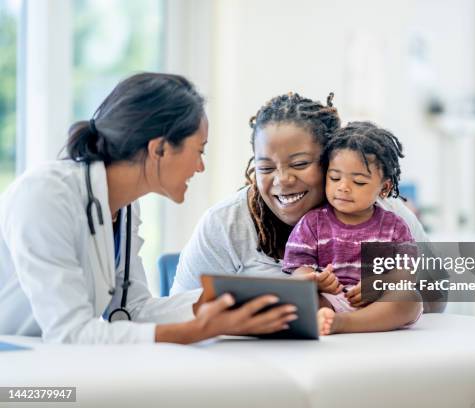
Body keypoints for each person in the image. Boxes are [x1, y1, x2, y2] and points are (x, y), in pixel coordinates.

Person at [0, 73, 297, 344]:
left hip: (58, 365)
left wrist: (242, 298)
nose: (200, 166)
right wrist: (197, 331)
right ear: (159, 149)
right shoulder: (45, 195)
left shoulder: (126, 208)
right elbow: (70, 333)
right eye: (200, 150)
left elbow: (132, 310)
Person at [172, 92, 445, 314]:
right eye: (265, 168)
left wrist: (389, 285)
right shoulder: (225, 224)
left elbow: (437, 295)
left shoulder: (382, 212)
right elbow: (183, 312)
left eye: (300, 164)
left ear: (331, 160)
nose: (282, 179)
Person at [283, 121, 423, 335]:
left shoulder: (393, 227)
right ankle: (330, 319)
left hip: (378, 304)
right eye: (335, 177)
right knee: (299, 295)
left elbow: (406, 273)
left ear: (384, 188)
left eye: (358, 182)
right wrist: (316, 279)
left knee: (410, 298)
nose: (343, 187)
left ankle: (344, 323)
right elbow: (297, 268)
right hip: (329, 300)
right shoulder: (313, 223)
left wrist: (378, 284)